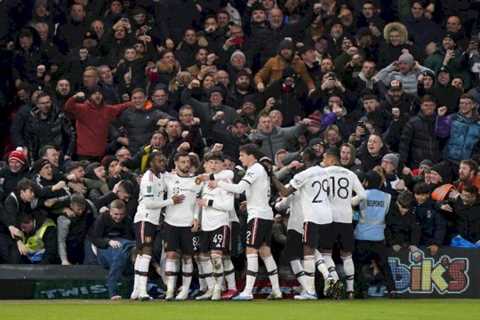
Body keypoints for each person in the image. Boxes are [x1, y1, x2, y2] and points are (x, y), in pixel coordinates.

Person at [208, 144, 282, 300]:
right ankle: (276, 290)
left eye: (242, 155)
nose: (240, 158)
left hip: (257, 216)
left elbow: (239, 188)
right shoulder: (260, 170)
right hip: (265, 214)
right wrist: (249, 202)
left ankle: (247, 291)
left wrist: (218, 184)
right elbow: (261, 192)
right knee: (265, 252)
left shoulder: (255, 169)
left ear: (251, 156)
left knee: (251, 250)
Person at [130, 152, 184, 300]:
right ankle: (142, 291)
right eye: (159, 161)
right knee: (146, 253)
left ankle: (136, 290)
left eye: (164, 161)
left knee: (142, 254)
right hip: (144, 218)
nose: (163, 164)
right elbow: (149, 203)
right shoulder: (148, 179)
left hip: (153, 220)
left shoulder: (161, 175)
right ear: (151, 162)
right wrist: (171, 201)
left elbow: (173, 177)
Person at [321, 147, 367, 299]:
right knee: (347, 256)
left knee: (326, 254)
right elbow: (362, 195)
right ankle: (350, 290)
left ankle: (335, 284)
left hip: (329, 219)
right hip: (346, 220)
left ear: (332, 159)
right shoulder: (350, 174)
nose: (323, 162)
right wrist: (349, 202)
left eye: (325, 158)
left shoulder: (323, 173)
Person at [163, 152, 202, 300]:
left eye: (188, 162)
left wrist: (196, 218)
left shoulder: (197, 180)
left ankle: (184, 290)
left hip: (188, 223)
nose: (186, 164)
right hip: (171, 222)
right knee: (171, 255)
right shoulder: (168, 178)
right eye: (183, 162)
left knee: (187, 257)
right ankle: (170, 290)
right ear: (176, 163)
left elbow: (198, 200)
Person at [196, 152, 235, 300]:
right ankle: (211, 287)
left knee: (217, 257)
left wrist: (209, 203)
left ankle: (219, 288)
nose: (213, 165)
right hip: (206, 226)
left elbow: (229, 205)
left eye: (217, 163)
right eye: (210, 162)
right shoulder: (204, 182)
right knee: (203, 257)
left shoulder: (226, 181)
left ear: (222, 165)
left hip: (220, 223)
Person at [354, 170, 396, 297]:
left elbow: (353, 210)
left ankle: (361, 291)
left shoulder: (362, 195)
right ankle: (392, 290)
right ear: (380, 183)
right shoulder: (387, 197)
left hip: (361, 237)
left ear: (366, 182)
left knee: (358, 266)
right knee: (384, 265)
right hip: (378, 237)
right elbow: (388, 217)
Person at [90, 199, 135, 300]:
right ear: (110, 211)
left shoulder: (127, 220)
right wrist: (108, 241)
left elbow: (130, 237)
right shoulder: (102, 219)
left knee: (126, 249)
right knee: (120, 255)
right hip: (104, 249)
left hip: (124, 247)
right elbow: (95, 239)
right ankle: (113, 291)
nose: (118, 217)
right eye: (116, 214)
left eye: (121, 214)